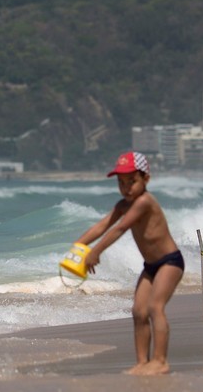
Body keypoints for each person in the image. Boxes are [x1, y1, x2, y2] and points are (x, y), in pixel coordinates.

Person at [74, 150, 183, 375]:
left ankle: (160, 361)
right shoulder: (122, 204)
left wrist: (95, 252)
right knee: (138, 311)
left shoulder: (144, 202)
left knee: (155, 307)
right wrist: (77, 247)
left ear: (146, 179)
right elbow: (101, 226)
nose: (126, 188)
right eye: (121, 183)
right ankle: (142, 362)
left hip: (170, 262)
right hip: (151, 266)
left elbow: (120, 228)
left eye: (132, 181)